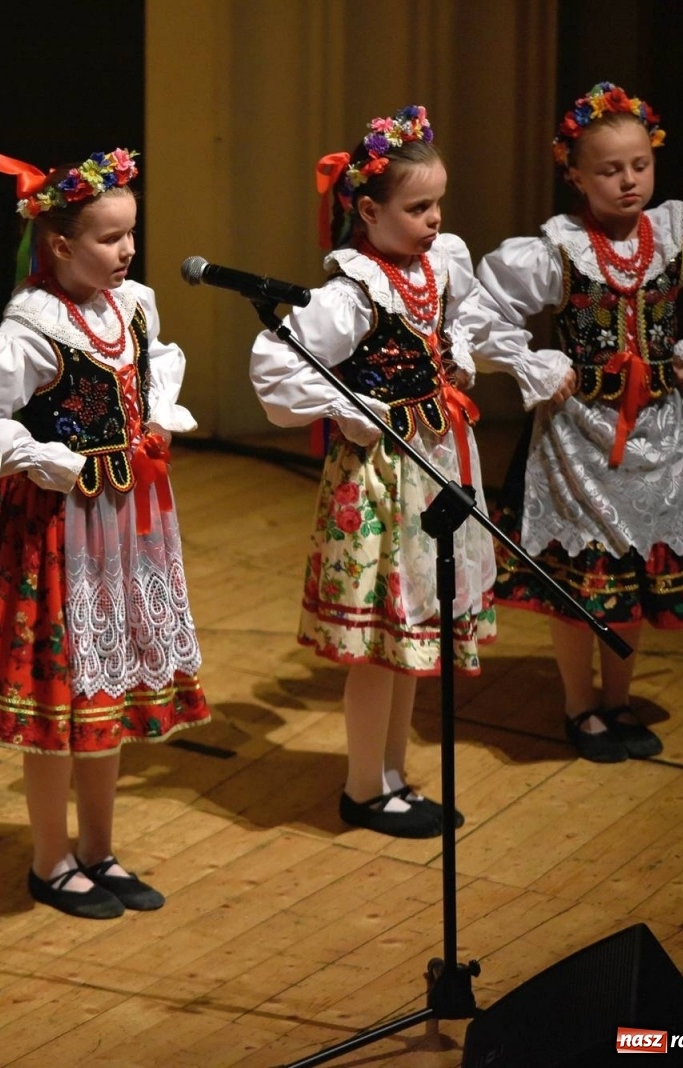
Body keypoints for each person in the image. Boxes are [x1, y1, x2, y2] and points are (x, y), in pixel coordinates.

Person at [0, 149, 208, 919]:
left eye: (131, 235)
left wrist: (156, 418)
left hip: (128, 524)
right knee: (61, 700)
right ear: (59, 245)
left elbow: (156, 371)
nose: (126, 251)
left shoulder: (134, 308)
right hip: (57, 531)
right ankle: (51, 859)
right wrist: (33, 455)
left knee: (108, 692)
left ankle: (99, 847)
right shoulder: (33, 331)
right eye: (108, 238)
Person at [476, 83, 683, 762]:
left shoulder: (677, 238)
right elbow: (483, 311)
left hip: (662, 434)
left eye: (639, 165)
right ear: (576, 174)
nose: (629, 180)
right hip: (579, 436)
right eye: (610, 170)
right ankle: (579, 706)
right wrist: (536, 366)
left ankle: (617, 697)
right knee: (583, 575)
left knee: (636, 571)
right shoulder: (558, 250)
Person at [249, 107, 496, 838]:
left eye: (437, 204)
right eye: (417, 207)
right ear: (367, 209)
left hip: (436, 461)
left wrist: (458, 354)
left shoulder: (442, 262)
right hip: (380, 478)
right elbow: (277, 364)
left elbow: (471, 317)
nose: (433, 218)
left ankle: (393, 777)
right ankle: (365, 785)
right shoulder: (353, 290)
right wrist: (352, 405)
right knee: (380, 647)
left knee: (413, 638)